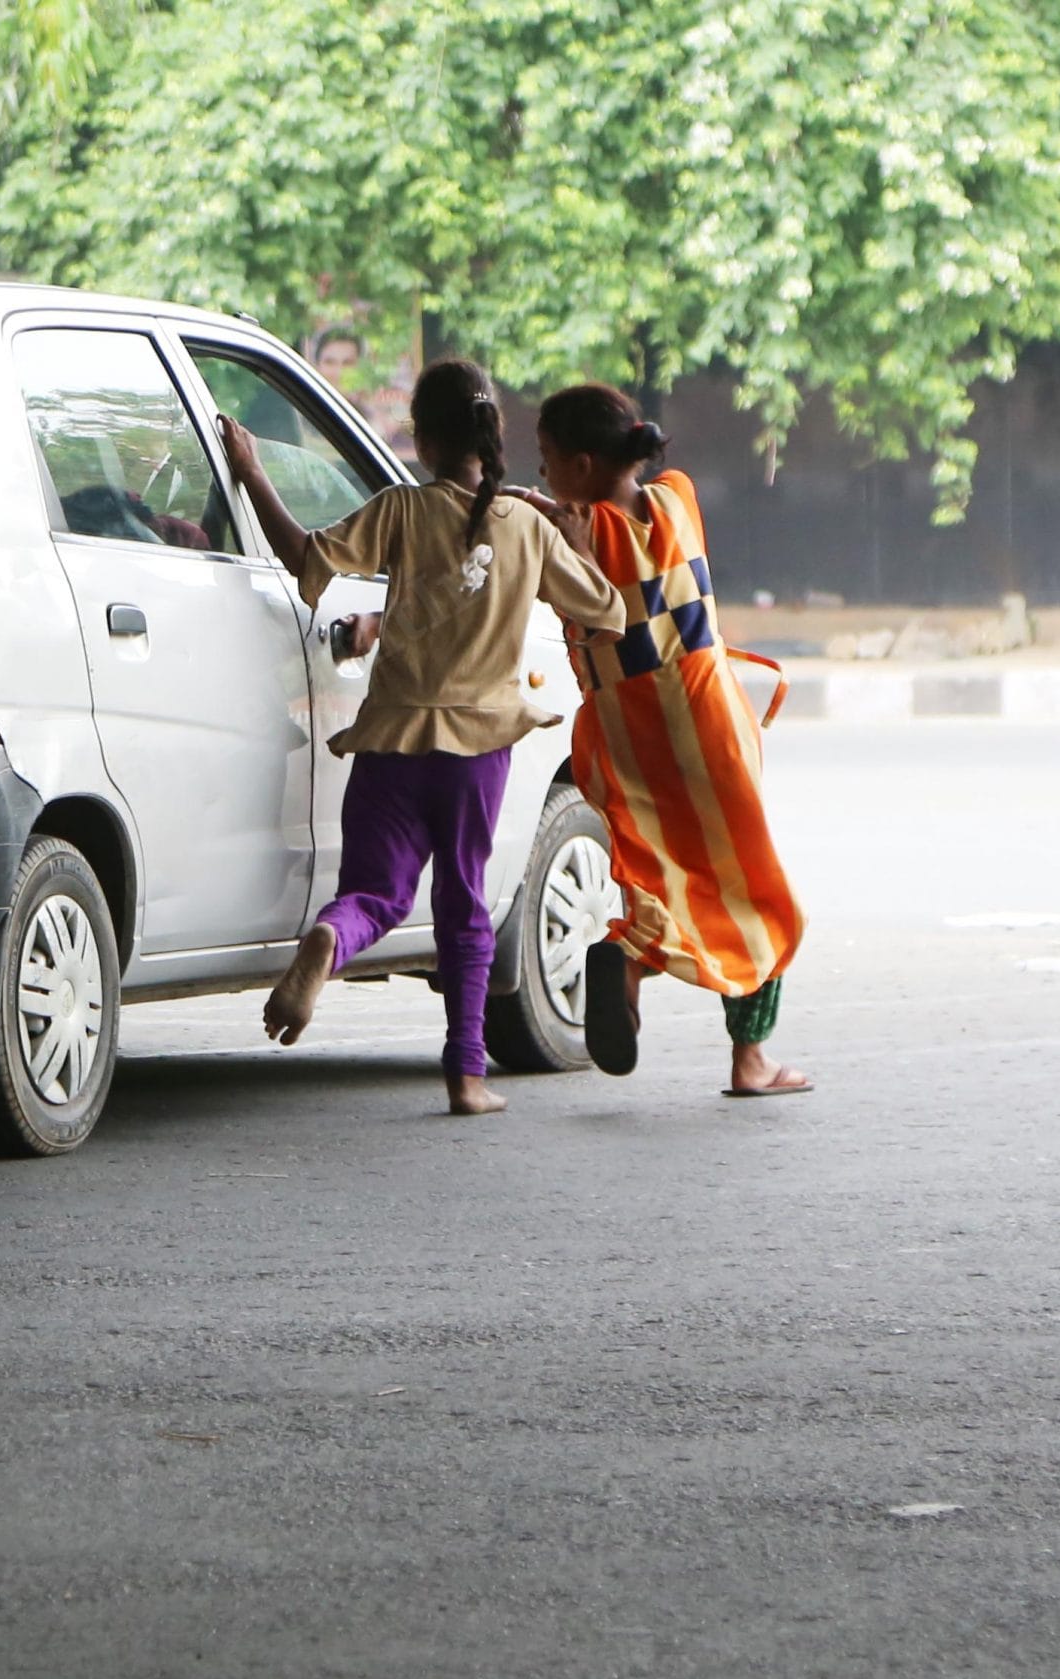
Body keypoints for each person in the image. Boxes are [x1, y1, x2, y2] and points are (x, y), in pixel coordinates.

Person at [221, 359, 626, 1115]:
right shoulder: (527, 527)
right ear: (492, 435)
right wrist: (572, 534)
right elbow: (607, 611)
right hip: (478, 754)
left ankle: (328, 943)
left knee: (374, 894)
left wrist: (250, 472)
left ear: (423, 438)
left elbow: (305, 560)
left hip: (392, 740)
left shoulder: (401, 510)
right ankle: (466, 1076)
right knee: (464, 906)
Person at [523, 384, 810, 1097]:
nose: (541, 474)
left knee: (654, 876)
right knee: (748, 890)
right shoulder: (678, 496)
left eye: (547, 459)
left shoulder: (570, 529)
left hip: (625, 740)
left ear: (583, 464)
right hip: (710, 728)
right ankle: (751, 1059)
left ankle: (630, 956)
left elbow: (575, 595)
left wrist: (556, 529)